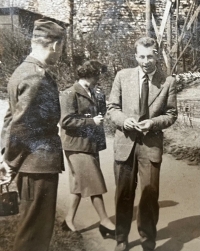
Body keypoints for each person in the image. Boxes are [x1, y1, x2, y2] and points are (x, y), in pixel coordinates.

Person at [0, 19, 65, 251]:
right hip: (37, 166)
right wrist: (10, 162)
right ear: (55, 45)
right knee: (34, 235)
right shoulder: (36, 77)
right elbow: (22, 125)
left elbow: (10, 117)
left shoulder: (22, 71)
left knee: (32, 230)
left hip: (31, 165)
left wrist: (6, 157)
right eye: (61, 47)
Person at [107, 37, 177, 251]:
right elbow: (112, 109)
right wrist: (123, 120)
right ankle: (121, 239)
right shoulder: (122, 76)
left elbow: (171, 114)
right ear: (135, 56)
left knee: (149, 195)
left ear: (157, 54)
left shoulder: (167, 82)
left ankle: (148, 242)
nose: (145, 61)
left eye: (149, 56)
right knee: (123, 194)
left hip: (150, 146)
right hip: (124, 144)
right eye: (141, 56)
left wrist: (153, 123)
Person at [60, 60, 115, 238]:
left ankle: (68, 221)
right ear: (90, 74)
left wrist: (100, 106)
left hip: (89, 144)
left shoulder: (93, 91)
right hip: (76, 146)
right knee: (94, 182)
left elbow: (101, 111)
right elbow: (66, 121)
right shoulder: (70, 93)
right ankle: (105, 221)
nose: (100, 78)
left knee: (79, 185)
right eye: (98, 74)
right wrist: (91, 121)